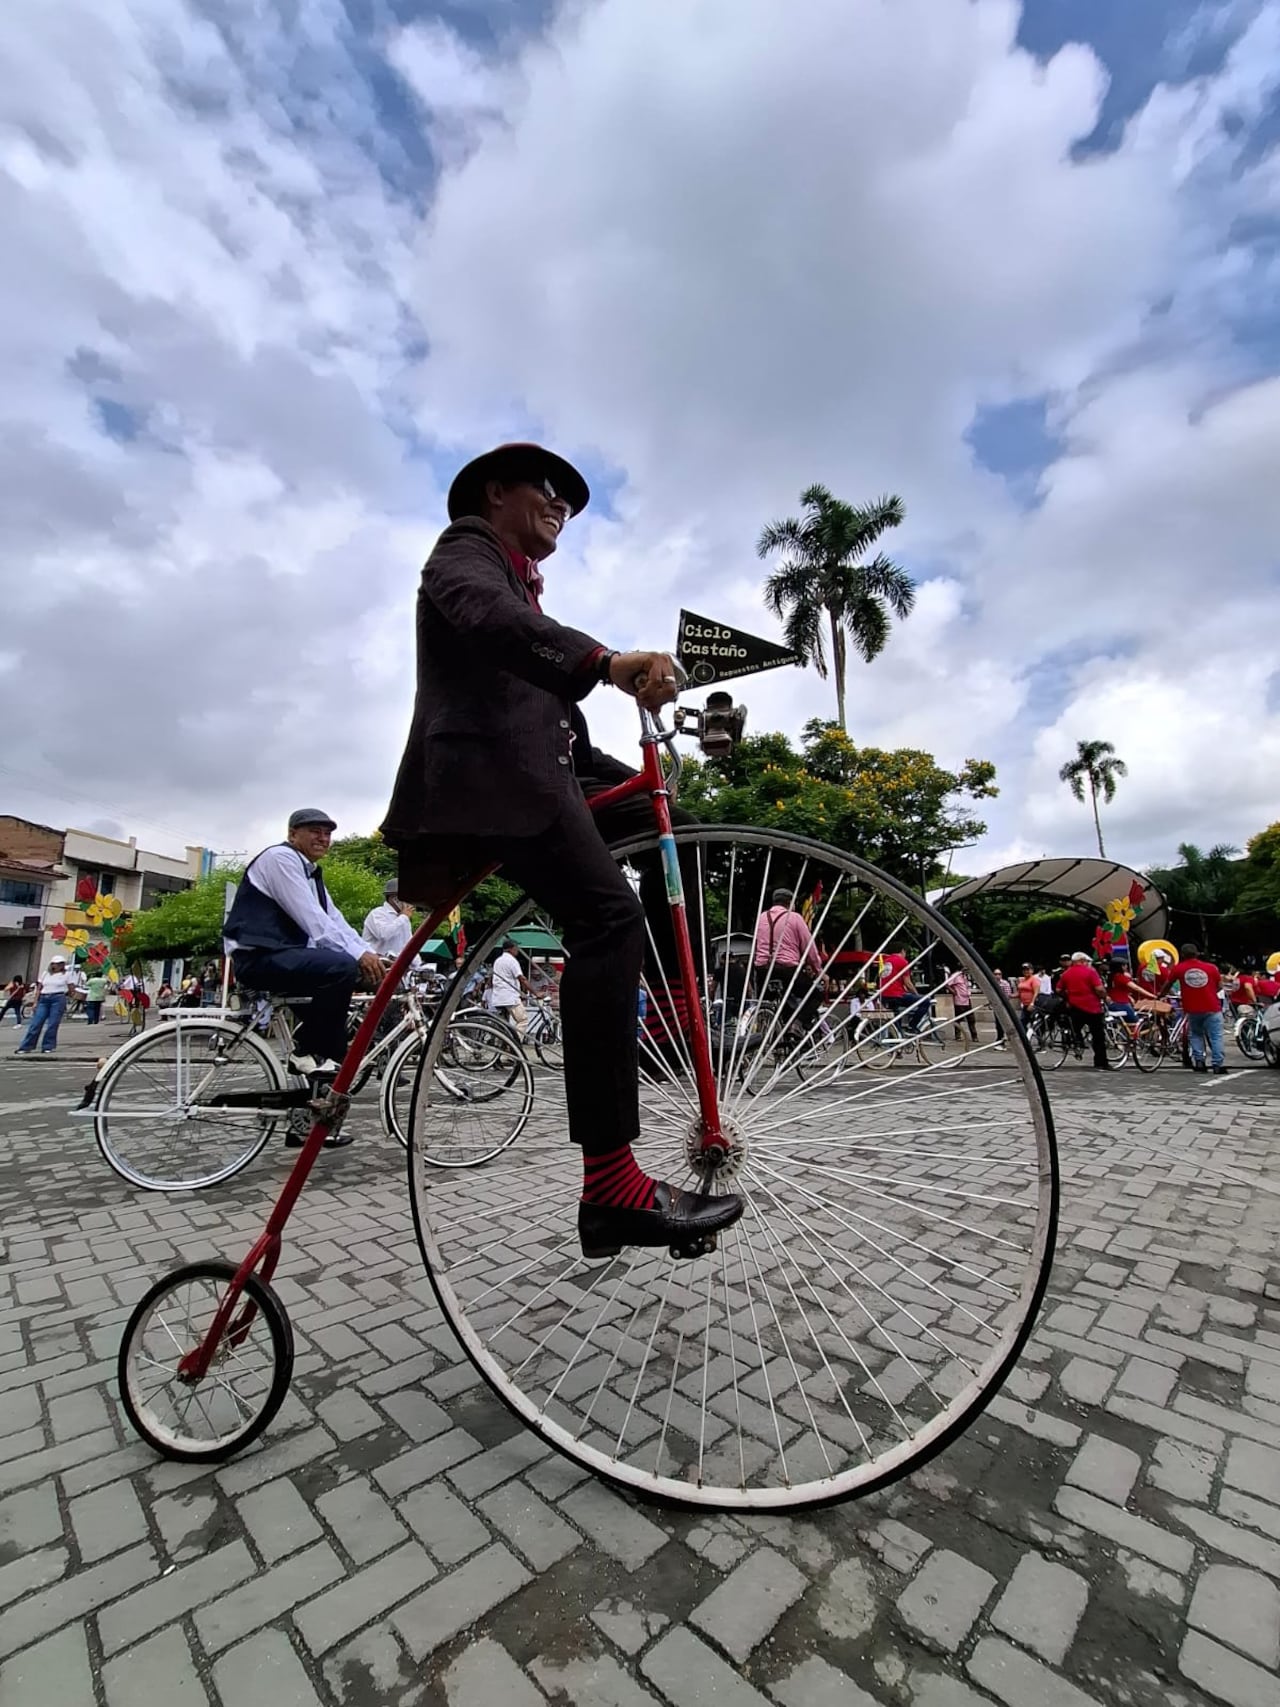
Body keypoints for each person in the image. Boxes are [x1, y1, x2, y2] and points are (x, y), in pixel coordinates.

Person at [381, 441, 743, 1256]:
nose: (563, 507)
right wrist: (606, 662)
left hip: (532, 777)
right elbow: (497, 625)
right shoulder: (467, 555)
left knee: (660, 830)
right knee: (607, 920)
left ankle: (678, 1012)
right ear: (495, 491)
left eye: (574, 503)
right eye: (549, 490)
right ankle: (611, 1186)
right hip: (489, 785)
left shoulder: (521, 588)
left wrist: (652, 792)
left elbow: (562, 742)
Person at [224, 807, 385, 1146]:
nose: (322, 838)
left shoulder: (310, 872)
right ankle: (307, 1051)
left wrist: (374, 956)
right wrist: (358, 957)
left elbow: (336, 921)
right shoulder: (281, 860)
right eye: (314, 830)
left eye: (327, 833)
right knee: (339, 969)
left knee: (333, 1040)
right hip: (259, 957)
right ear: (292, 833)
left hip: (282, 956)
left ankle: (306, 1125)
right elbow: (313, 921)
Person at [1158, 943, 1228, 1077]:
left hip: (1192, 1008)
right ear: (1197, 953)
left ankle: (1199, 1062)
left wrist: (1161, 995)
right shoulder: (1211, 968)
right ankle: (1217, 1065)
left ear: (1182, 955)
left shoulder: (1179, 968)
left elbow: (1168, 984)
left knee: (1196, 1035)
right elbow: (1219, 987)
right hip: (1212, 1006)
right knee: (1216, 1036)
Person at [1057, 951, 1111, 1069]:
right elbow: (1099, 989)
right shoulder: (1091, 972)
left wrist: (1067, 997)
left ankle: (1075, 1044)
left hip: (1074, 1007)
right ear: (1082, 961)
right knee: (1098, 1036)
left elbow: (1058, 989)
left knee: (1075, 1030)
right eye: (1086, 961)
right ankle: (1101, 1062)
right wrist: (1105, 997)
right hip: (1092, 1007)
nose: (1087, 963)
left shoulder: (1066, 974)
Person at [15, 957, 72, 1055]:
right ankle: (26, 1046)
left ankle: (48, 1046)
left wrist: (68, 996)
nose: (56, 966)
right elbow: (39, 988)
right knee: (36, 1023)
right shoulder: (45, 974)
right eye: (54, 963)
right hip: (44, 998)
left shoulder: (67, 975)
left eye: (59, 964)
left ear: (62, 965)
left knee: (52, 1024)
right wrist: (35, 1002)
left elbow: (71, 988)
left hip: (58, 998)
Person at [489, 940, 531, 1041]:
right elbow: (522, 978)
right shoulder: (512, 961)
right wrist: (535, 992)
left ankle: (503, 1044)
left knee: (505, 1025)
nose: (517, 950)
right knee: (523, 1020)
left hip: (498, 996)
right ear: (511, 949)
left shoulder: (498, 960)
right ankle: (513, 1044)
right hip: (509, 997)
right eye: (516, 948)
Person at [363, 880, 415, 961]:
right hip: (378, 964)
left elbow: (409, 945)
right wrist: (403, 917)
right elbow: (384, 934)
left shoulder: (404, 919)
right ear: (394, 898)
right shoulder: (377, 913)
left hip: (398, 965)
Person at [945, 966, 978, 1046]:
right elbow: (947, 984)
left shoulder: (966, 977)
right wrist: (953, 991)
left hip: (967, 999)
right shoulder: (956, 975)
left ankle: (974, 1036)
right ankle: (957, 1035)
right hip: (959, 1000)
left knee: (971, 1019)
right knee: (959, 1019)